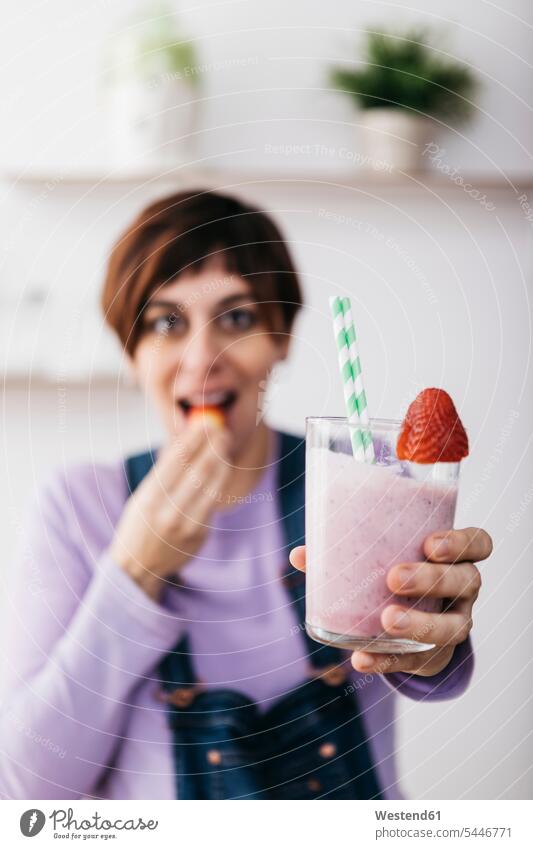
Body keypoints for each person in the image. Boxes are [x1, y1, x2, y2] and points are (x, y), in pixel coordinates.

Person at [0, 189, 492, 800]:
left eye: (237, 318)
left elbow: (431, 667)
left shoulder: (354, 481)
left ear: (281, 339)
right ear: (132, 353)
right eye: (165, 322)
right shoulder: (78, 505)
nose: (204, 358)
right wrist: (133, 573)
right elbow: (24, 788)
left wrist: (434, 644)